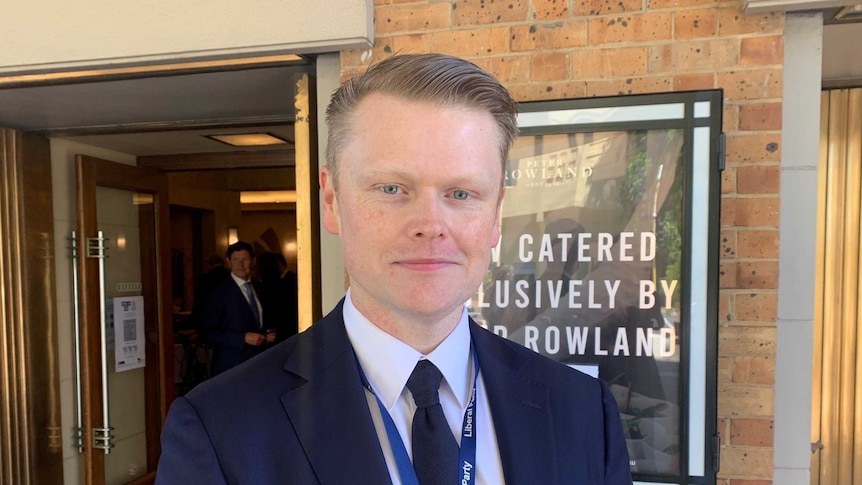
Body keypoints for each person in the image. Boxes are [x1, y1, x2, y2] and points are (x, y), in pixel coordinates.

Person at [156, 53, 632, 484]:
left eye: (461, 194)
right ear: (331, 201)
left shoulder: (583, 411)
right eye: (391, 189)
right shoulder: (220, 427)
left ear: (496, 215)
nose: (430, 225)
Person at [201, 241, 275, 376]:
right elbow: (208, 332)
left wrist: (268, 334)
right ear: (228, 262)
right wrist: (242, 338)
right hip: (232, 367)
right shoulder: (219, 291)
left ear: (253, 261)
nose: (240, 264)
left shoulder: (260, 287)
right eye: (236, 260)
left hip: (260, 364)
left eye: (245, 259)